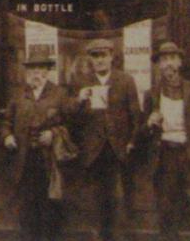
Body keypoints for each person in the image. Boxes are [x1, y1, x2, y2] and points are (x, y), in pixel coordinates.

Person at [71, 38, 140, 241]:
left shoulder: (125, 80)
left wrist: (132, 142)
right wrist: (79, 101)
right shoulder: (81, 82)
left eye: (103, 55)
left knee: (118, 201)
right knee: (94, 203)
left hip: (117, 151)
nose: (100, 60)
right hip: (93, 152)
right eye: (95, 56)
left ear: (111, 57)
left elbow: (135, 116)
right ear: (90, 60)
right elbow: (73, 121)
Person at [2, 43, 73, 241]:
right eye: (32, 68)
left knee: (50, 208)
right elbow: (6, 122)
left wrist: (53, 133)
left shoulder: (59, 94)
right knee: (27, 208)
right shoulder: (19, 94)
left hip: (49, 161)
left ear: (48, 71)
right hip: (24, 160)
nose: (36, 73)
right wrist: (7, 136)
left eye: (41, 68)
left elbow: (71, 124)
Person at [143, 41, 190, 241]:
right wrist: (149, 123)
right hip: (164, 156)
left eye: (172, 58)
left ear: (180, 62)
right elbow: (142, 131)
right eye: (164, 60)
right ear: (159, 65)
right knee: (166, 209)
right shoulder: (152, 94)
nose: (168, 64)